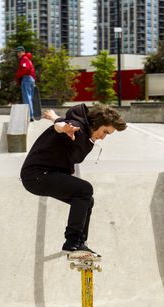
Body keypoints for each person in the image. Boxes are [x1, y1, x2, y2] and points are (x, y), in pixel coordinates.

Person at [20, 103, 127, 256]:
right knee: (85, 189)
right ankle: (72, 242)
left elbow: (61, 120)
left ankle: (80, 243)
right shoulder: (77, 126)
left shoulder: (82, 130)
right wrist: (63, 127)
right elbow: (63, 125)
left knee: (87, 200)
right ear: (96, 123)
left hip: (44, 174)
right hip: (37, 174)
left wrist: (54, 117)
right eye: (104, 132)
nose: (103, 137)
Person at [15, 45, 36, 122]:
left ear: (23, 52)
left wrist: (17, 75)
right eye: (17, 52)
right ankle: (31, 115)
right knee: (29, 97)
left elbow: (26, 69)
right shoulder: (28, 59)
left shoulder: (24, 59)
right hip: (31, 79)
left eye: (20, 52)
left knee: (27, 98)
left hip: (26, 78)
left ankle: (30, 116)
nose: (18, 53)